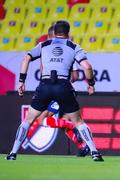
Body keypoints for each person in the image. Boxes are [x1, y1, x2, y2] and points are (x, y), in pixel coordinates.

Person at [6, 20, 103, 161]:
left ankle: (13, 153)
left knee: (29, 120)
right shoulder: (73, 46)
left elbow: (26, 59)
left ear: (54, 32)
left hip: (45, 85)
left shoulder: (43, 45)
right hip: (63, 86)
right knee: (79, 122)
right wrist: (91, 83)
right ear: (68, 33)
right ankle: (94, 153)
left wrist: (21, 81)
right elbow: (87, 67)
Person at [25, 25, 90, 157]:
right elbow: (76, 76)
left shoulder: (47, 51)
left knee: (42, 119)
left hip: (55, 91)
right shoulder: (68, 50)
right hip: (64, 90)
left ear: (52, 36)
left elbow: (45, 75)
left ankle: (75, 130)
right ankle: (83, 146)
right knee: (64, 122)